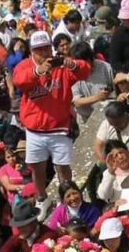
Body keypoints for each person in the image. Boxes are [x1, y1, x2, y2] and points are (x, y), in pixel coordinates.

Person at [12, 30, 91, 213]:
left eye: (47, 48)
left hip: (59, 127)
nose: (44, 53)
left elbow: (85, 71)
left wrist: (72, 65)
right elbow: (19, 80)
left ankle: (69, 201)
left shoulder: (61, 66)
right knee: (37, 168)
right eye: (39, 50)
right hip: (34, 129)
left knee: (63, 168)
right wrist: (37, 71)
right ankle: (42, 199)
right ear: (32, 51)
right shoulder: (25, 66)